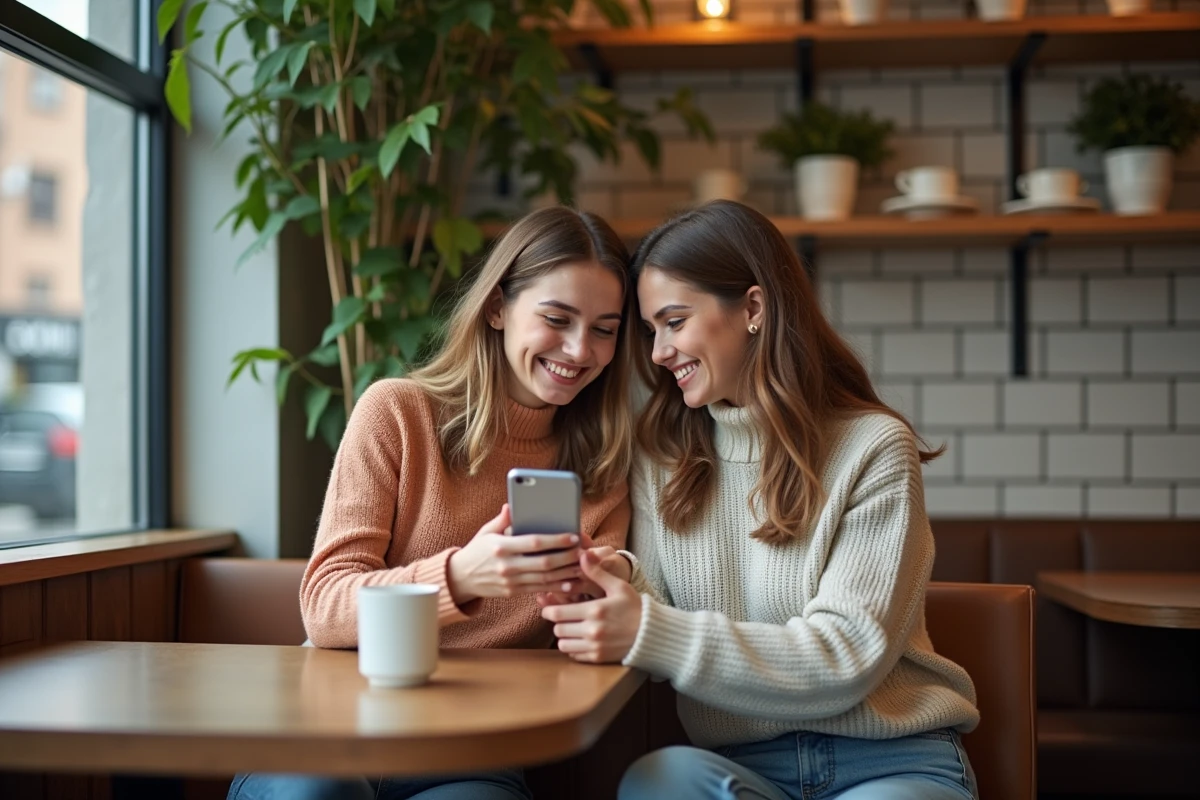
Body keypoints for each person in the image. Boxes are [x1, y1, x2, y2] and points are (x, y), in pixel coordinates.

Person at [541, 200, 981, 800]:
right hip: (745, 766)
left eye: (674, 322)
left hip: (890, 762)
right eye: (648, 332)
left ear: (752, 308)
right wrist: (614, 579)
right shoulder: (661, 459)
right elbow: (661, 615)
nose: (657, 353)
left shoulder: (872, 447)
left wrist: (645, 625)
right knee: (658, 781)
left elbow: (847, 657)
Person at [229, 207, 634, 800]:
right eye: (557, 318)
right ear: (497, 307)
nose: (580, 349)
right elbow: (323, 603)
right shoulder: (397, 413)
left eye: (605, 328)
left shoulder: (603, 469)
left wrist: (610, 584)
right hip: (333, 726)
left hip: (471, 749)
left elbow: (594, 633)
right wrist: (460, 577)